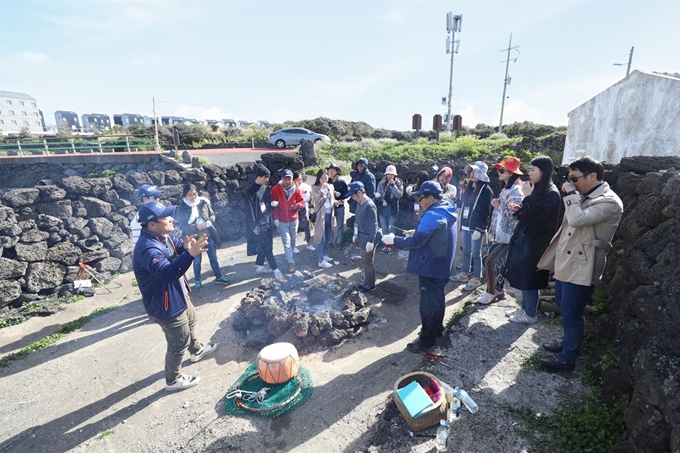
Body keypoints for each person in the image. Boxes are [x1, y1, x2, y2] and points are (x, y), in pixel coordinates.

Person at [536, 156, 623, 372]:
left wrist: (573, 195)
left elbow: (577, 220)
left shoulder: (610, 201)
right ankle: (567, 344)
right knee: (563, 306)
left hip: (584, 264)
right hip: (569, 261)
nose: (571, 182)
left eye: (575, 178)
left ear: (592, 176)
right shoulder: (585, 195)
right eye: (570, 178)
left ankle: (567, 359)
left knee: (572, 313)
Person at [133, 201, 217, 392]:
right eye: (166, 217)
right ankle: (173, 379)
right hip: (165, 305)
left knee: (191, 320)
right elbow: (167, 273)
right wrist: (191, 254)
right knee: (179, 342)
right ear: (152, 224)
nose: (171, 219)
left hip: (178, 295)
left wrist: (186, 247)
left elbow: (178, 247)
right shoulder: (147, 248)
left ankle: (196, 350)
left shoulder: (164, 235)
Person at [382, 181, 458, 353]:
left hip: (431, 267)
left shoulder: (432, 215)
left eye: (421, 197)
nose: (419, 201)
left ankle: (426, 341)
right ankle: (436, 331)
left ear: (431, 197)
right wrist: (415, 232)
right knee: (437, 300)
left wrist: (394, 240)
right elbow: (432, 234)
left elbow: (417, 242)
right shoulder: (446, 207)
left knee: (427, 304)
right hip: (443, 266)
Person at [504, 156, 561, 324]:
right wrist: (520, 208)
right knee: (524, 277)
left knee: (531, 280)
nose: (529, 173)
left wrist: (527, 197)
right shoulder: (539, 189)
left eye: (532, 170)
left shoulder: (552, 194)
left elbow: (538, 218)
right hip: (527, 240)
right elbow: (530, 211)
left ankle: (530, 314)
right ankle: (524, 308)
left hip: (537, 243)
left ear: (544, 171)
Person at [477, 157, 524, 304]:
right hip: (500, 234)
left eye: (502, 170)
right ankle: (499, 290)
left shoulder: (516, 191)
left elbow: (515, 215)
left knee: (488, 260)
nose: (499, 172)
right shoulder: (507, 189)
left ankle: (491, 291)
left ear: (511, 173)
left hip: (508, 235)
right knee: (497, 262)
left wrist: (498, 205)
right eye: (499, 170)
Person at [175, 184, 230, 290]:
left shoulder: (203, 203)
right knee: (197, 261)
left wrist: (210, 221)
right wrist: (195, 226)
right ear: (185, 195)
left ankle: (218, 277)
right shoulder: (182, 208)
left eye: (194, 194)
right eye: (189, 195)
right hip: (195, 238)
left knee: (213, 258)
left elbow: (212, 214)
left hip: (208, 235)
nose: (193, 197)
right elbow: (183, 225)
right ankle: (198, 280)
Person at [451, 161, 493, 291]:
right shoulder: (470, 187)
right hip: (466, 224)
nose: (471, 174)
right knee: (466, 251)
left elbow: (486, 211)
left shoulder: (486, 190)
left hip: (476, 227)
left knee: (476, 253)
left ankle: (476, 278)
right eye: (471, 171)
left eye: (474, 171)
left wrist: (480, 228)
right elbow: (465, 204)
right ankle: (464, 274)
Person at [245, 164, 284, 280]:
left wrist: (272, 206)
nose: (267, 180)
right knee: (267, 247)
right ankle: (276, 269)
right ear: (259, 176)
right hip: (258, 224)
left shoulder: (265, 188)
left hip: (267, 221)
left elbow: (266, 206)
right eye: (265, 177)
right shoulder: (250, 191)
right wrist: (253, 225)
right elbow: (249, 210)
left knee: (267, 245)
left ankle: (260, 267)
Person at [345, 181, 379, 293]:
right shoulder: (360, 204)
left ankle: (371, 284)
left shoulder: (369, 205)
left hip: (369, 237)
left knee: (368, 262)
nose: (353, 198)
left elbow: (374, 224)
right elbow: (357, 220)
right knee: (364, 261)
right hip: (361, 236)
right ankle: (366, 282)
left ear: (359, 193)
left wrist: (371, 240)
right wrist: (355, 234)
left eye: (353, 195)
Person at [270, 169, 304, 273]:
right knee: (287, 241)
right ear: (282, 179)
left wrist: (297, 206)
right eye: (285, 179)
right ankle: (291, 262)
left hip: (294, 219)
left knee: (293, 241)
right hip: (281, 221)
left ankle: (290, 255)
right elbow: (272, 205)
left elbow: (301, 201)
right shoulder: (275, 189)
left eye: (289, 179)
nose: (287, 181)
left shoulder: (296, 189)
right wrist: (275, 218)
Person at [375, 165, 404, 254]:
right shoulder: (381, 183)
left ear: (395, 175)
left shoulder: (399, 183)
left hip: (392, 209)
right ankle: (385, 245)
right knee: (384, 228)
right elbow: (378, 194)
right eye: (388, 174)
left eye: (392, 174)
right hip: (382, 209)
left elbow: (399, 195)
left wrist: (393, 186)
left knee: (391, 228)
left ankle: (390, 246)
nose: (390, 176)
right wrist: (381, 199)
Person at [311, 169, 336, 269]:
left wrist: (336, 201)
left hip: (330, 214)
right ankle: (320, 260)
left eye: (325, 177)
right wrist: (321, 190)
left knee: (328, 235)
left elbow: (332, 198)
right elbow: (316, 200)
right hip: (321, 216)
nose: (324, 180)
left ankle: (324, 254)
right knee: (322, 238)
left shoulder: (330, 186)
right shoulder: (315, 187)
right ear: (318, 178)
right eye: (322, 178)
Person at [293, 172, 315, 252]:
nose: (300, 181)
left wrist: (299, 200)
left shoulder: (304, 186)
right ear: (294, 180)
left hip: (303, 207)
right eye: (298, 179)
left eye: (301, 179)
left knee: (306, 224)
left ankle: (309, 244)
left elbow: (308, 197)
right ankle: (293, 246)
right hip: (294, 208)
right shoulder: (291, 187)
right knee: (294, 226)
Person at [327, 163, 349, 247]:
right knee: (330, 225)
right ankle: (330, 241)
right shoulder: (328, 181)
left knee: (340, 225)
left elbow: (346, 194)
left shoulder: (342, 182)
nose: (331, 172)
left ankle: (339, 241)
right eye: (330, 170)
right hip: (330, 206)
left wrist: (340, 197)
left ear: (336, 171)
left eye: (333, 170)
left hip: (340, 205)